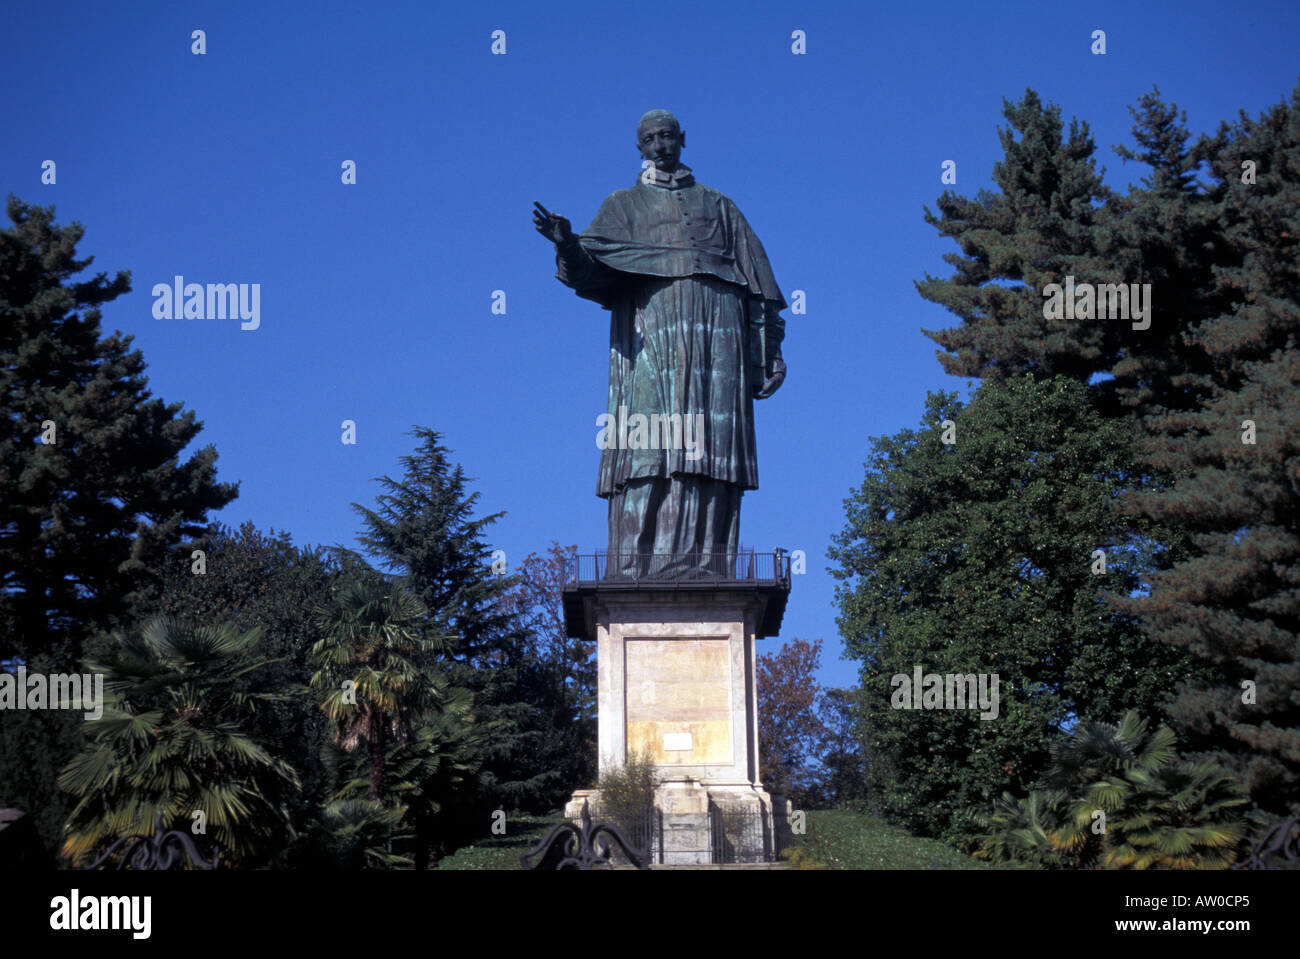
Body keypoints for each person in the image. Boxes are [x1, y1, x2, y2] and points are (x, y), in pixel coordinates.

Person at [533, 110, 787, 577]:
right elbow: (588, 272)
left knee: (710, 446)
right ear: (639, 147)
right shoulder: (622, 205)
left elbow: (761, 289)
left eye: (668, 136)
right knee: (647, 440)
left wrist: (766, 352)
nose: (660, 144)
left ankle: (708, 560)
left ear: (683, 140)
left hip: (720, 337)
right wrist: (565, 244)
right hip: (652, 333)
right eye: (650, 138)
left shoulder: (720, 206)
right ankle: (638, 563)